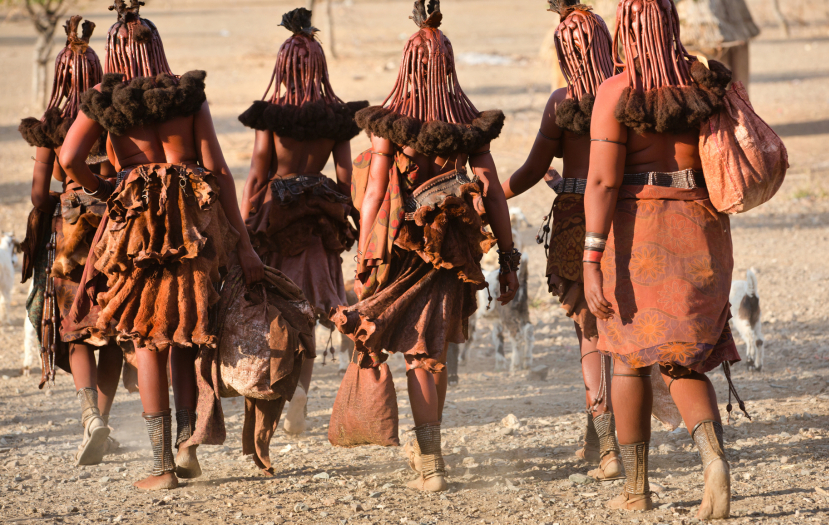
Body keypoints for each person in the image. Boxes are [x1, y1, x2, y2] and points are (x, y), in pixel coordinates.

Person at [59, 0, 264, 490]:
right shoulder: (188, 97)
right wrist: (243, 242)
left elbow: (69, 157)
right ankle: (188, 442)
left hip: (137, 225)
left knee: (147, 335)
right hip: (194, 219)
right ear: (158, 47)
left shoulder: (104, 100)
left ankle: (161, 467)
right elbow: (217, 169)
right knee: (187, 325)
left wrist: (106, 189)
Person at [332, 0, 519, 493]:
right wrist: (509, 256)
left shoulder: (389, 125)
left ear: (407, 68)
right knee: (430, 350)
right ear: (449, 67)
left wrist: (364, 256)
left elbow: (373, 194)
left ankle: (432, 464)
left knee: (417, 350)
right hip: (453, 247)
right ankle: (430, 457)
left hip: (400, 249)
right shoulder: (470, 127)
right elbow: (493, 192)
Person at [584, 0, 745, 517]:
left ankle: (637, 492)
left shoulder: (615, 91)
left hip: (640, 232)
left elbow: (605, 180)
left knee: (630, 358)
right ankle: (713, 462)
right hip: (702, 229)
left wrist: (591, 257)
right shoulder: (703, 82)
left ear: (625, 28)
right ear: (673, 24)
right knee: (684, 357)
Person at [502, 0, 621, 481]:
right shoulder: (630, 97)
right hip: (626, 221)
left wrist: (488, 195)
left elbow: (531, 171)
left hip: (577, 227)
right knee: (621, 331)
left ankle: (611, 448)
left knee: (591, 336)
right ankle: (600, 439)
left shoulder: (562, 103)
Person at [238, 7, 368, 436]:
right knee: (313, 308)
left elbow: (258, 174)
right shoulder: (336, 117)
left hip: (277, 216)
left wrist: (242, 225)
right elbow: (347, 177)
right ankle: (302, 395)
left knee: (279, 309)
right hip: (319, 218)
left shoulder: (271, 115)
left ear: (283, 67)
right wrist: (343, 216)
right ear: (319, 67)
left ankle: (276, 393)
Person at [19, 15, 124, 466]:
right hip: (117, 233)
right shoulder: (116, 121)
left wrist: (66, 198)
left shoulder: (51, 128)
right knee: (116, 327)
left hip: (68, 240)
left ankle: (89, 418)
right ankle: (102, 416)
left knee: (76, 325)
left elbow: (40, 196)